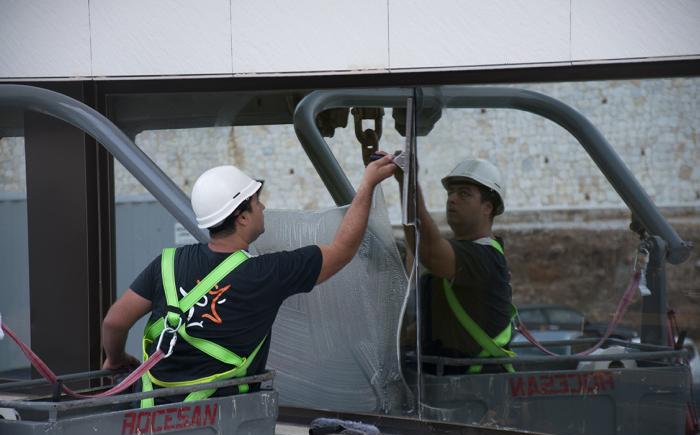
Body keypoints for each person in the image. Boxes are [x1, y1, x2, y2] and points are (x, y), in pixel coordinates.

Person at [101, 156, 396, 404]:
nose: (264, 208)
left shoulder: (167, 263)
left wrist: (115, 359)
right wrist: (368, 185)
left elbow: (114, 322)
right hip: (218, 423)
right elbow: (343, 250)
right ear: (241, 216)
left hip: (147, 416)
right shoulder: (267, 274)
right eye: (257, 202)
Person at [392, 155, 515, 374]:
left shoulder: (484, 257)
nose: (452, 199)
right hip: (448, 388)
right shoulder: (457, 258)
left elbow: (428, 250)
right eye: (450, 193)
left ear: (488, 207)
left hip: (477, 393)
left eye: (464, 194)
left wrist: (408, 184)